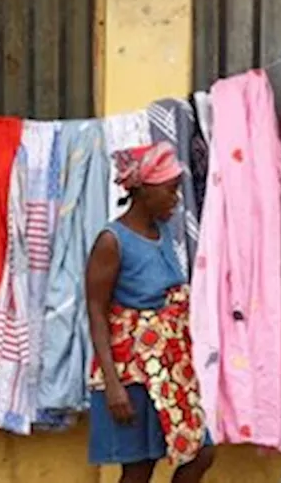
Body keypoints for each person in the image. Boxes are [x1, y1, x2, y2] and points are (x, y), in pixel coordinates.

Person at [86, 143, 213, 483]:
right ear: (143, 190)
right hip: (135, 372)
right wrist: (112, 385)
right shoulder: (111, 241)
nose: (176, 198)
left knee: (201, 452)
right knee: (139, 469)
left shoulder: (164, 232)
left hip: (172, 366)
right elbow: (96, 312)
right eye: (170, 190)